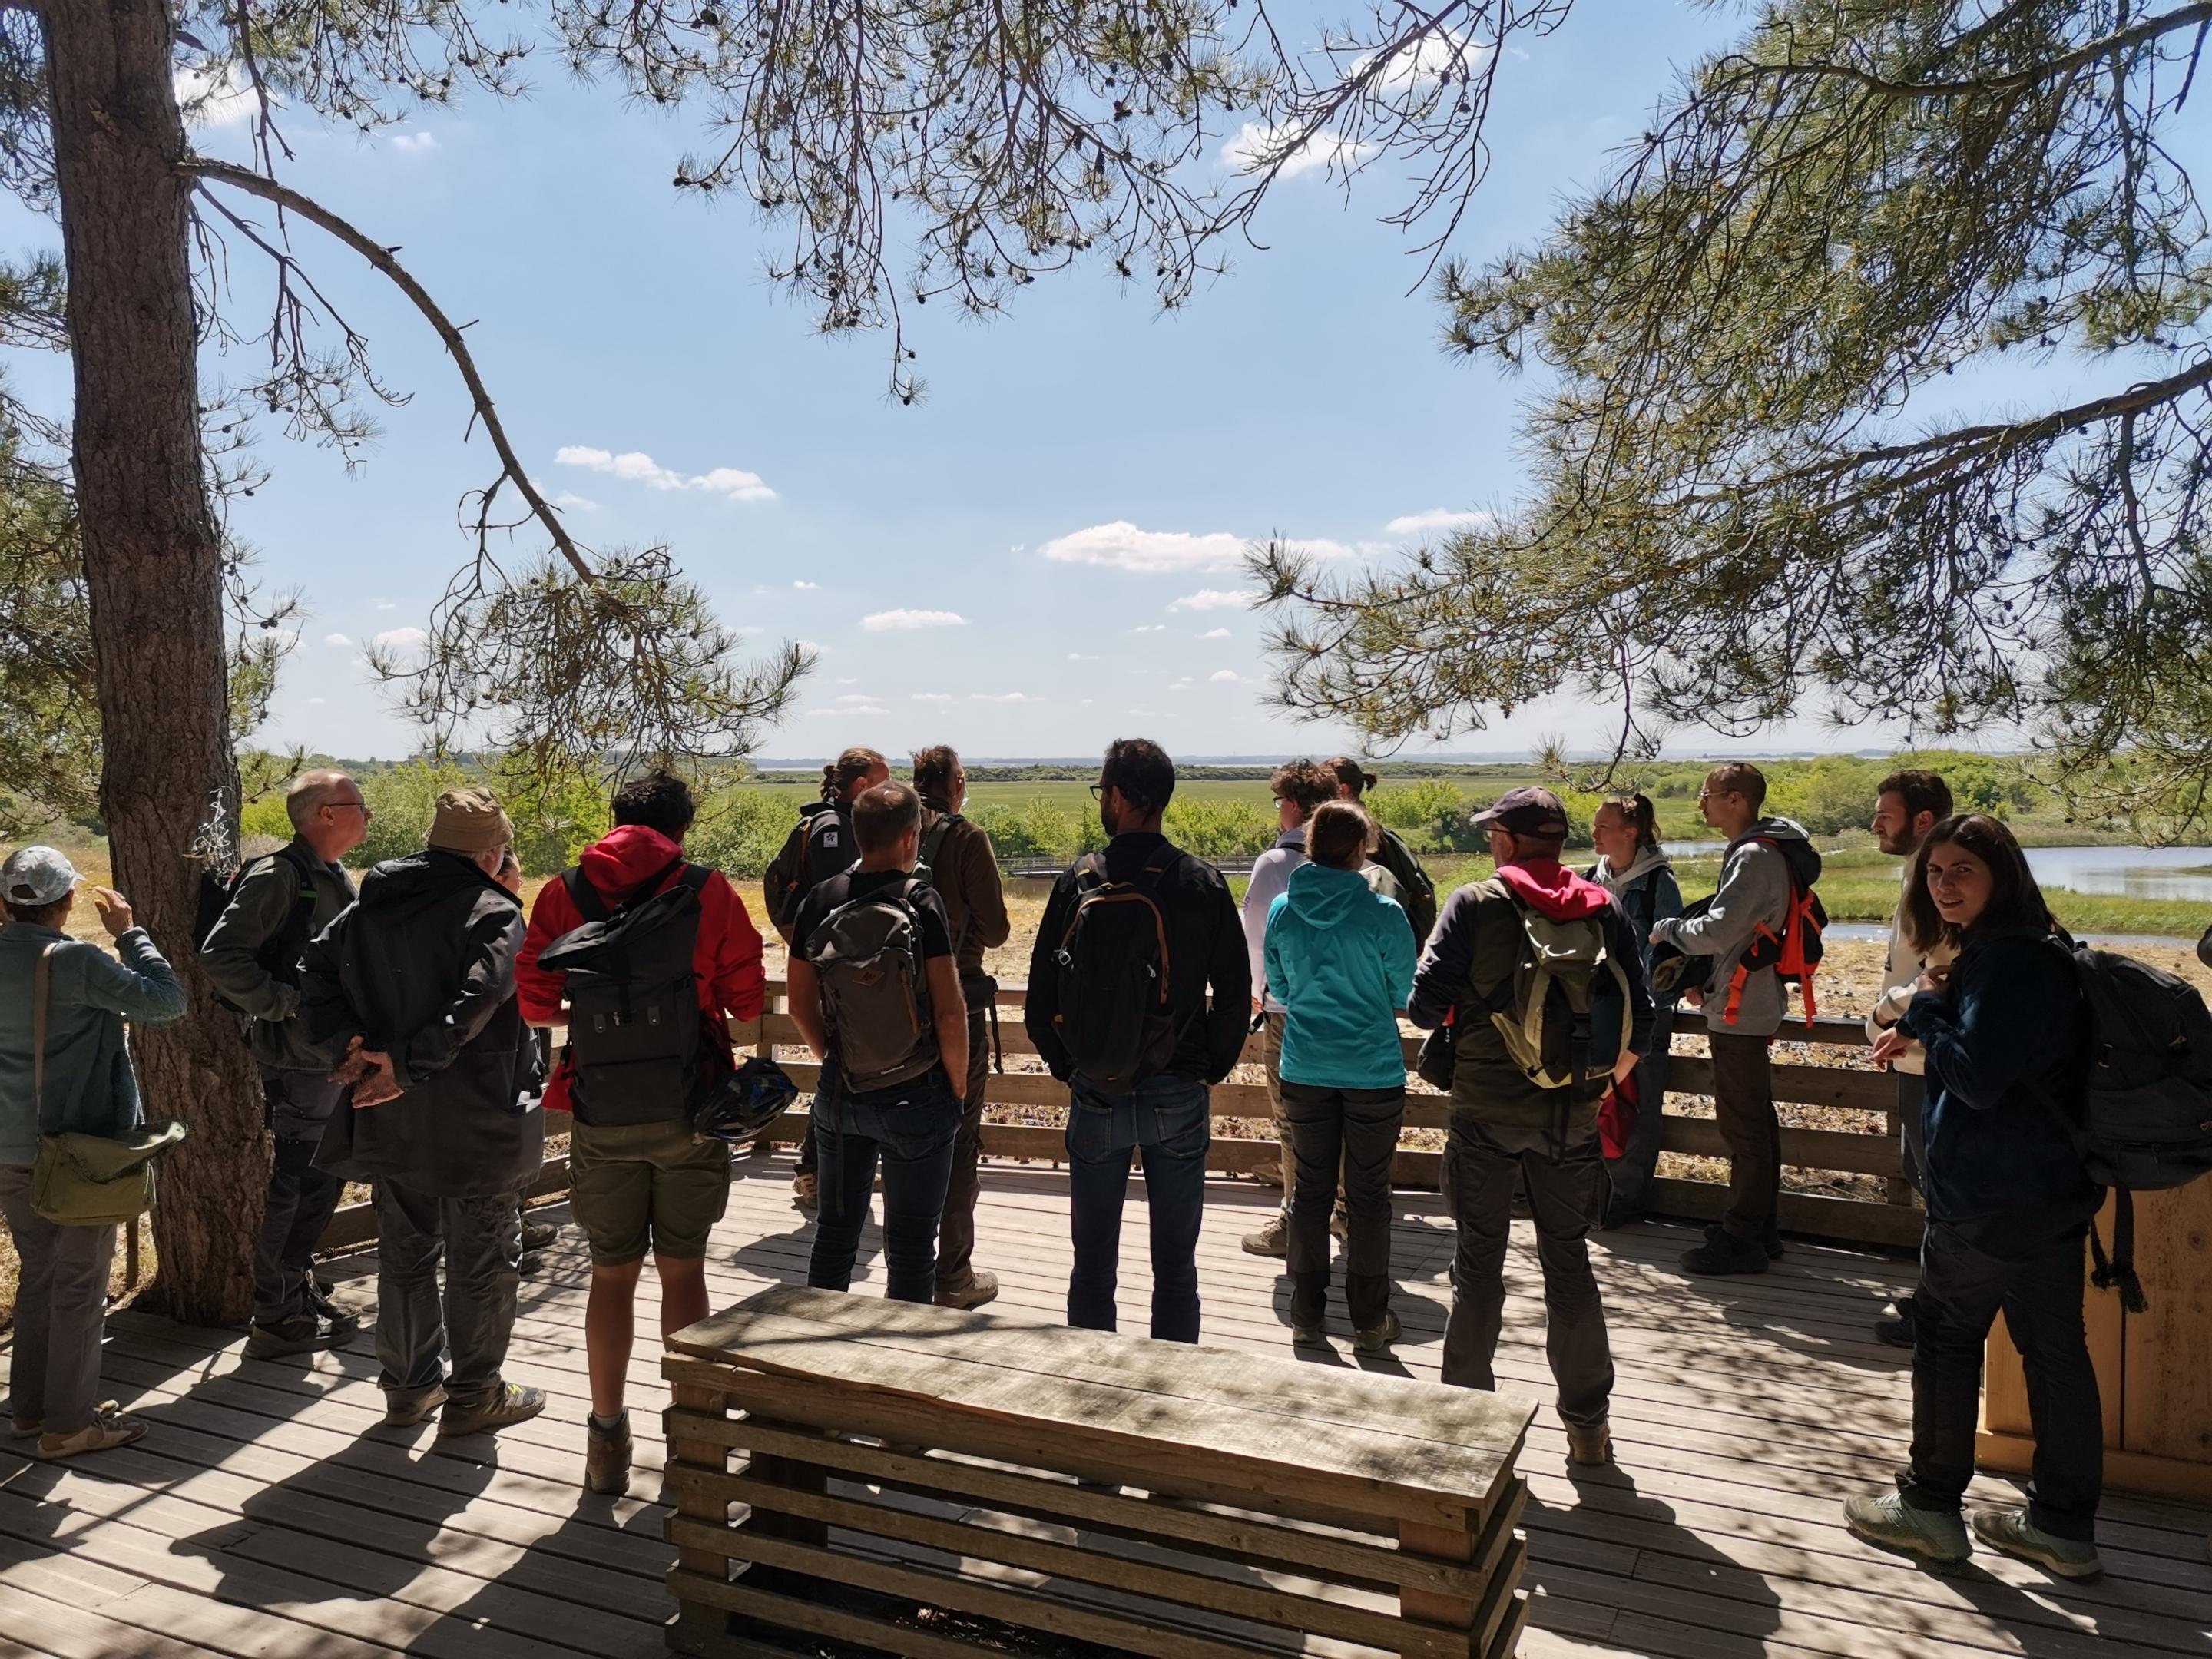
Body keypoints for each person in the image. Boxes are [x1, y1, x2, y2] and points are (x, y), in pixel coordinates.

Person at [1845, 813, 2104, 1581]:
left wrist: (1923, 1006)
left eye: (1963, 870)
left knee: (1948, 1343)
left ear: (2001, 875)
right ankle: (2061, 1528)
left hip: (1986, 1196)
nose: (1944, 884)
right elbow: (2010, 1060)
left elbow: (1978, 1079)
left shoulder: (2004, 962)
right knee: (2057, 1353)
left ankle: (1930, 1511)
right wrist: (1940, 1009)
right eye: (1934, 872)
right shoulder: (2043, 948)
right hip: (2053, 1192)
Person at [515, 770, 766, 1492]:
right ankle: (692, 1438)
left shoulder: (565, 892)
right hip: (689, 1107)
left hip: (601, 1108)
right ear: (680, 830)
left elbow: (533, 1002)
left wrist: (592, 1025)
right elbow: (746, 1001)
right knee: (682, 1270)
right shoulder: (709, 890)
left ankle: (604, 1440)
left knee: (610, 1275)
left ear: (614, 819)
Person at [1409, 788, 1651, 1463]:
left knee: (1478, 1269)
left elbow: (1424, 1007)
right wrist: (1594, 1089)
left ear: (1509, 842)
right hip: (1571, 1122)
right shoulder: (1605, 910)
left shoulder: (1475, 903)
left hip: (1485, 1116)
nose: (1491, 844)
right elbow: (1645, 1020)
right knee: (1568, 1268)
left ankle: (1465, 1427)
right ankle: (1588, 1430)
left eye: (1494, 834)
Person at [300, 786, 545, 1437]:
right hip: (476, 1119)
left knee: (406, 1255)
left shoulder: (373, 905)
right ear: (491, 853)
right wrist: (405, 1064)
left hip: (392, 1116)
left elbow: (313, 971)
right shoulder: (493, 911)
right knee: (485, 1259)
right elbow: (483, 995)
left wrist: (351, 1045)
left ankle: (409, 1390)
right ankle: (474, 1395)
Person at [1026, 739, 1248, 1343]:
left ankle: (1088, 1394)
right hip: (1178, 1087)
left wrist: (1071, 1067)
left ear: (1120, 797)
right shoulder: (1200, 881)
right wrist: (1208, 1069)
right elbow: (1234, 994)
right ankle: (1170, 1397)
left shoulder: (1078, 881)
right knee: (1176, 1267)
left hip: (1096, 1089)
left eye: (1103, 792)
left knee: (1092, 1265)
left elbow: (1040, 1002)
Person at [0, 847, 185, 1457]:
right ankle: (70, 1425)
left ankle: (29, 1411)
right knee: (80, 1284)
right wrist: (131, 935)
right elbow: (166, 1003)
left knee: (41, 1277)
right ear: (69, 901)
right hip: (79, 1154)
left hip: (10, 1147)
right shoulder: (74, 960)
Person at [200, 768, 369, 1359]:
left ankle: (295, 1291)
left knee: (321, 1181)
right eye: (358, 803)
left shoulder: (333, 875)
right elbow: (221, 957)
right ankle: (275, 1316)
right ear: (326, 813)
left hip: (328, 1059)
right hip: (299, 1061)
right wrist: (290, 1006)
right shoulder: (282, 875)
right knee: (297, 1185)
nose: (367, 814)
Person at [787, 780, 969, 1302]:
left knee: (834, 1235)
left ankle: (816, 1358)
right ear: (912, 838)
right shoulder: (921, 900)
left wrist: (838, 1061)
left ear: (856, 833)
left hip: (843, 1094)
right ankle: (896, 1362)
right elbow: (950, 1011)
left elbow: (800, 1004)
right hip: (919, 1093)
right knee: (912, 1247)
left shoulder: (820, 900)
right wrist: (954, 1089)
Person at [1648, 763, 1820, 1276]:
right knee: (1755, 1124)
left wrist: (1668, 930)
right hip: (1750, 999)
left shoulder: (1752, 854)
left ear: (1738, 800)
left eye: (1708, 796)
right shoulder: (1769, 852)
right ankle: (1760, 1230)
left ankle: (1743, 1237)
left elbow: (1720, 930)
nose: (1701, 805)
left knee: (1743, 1128)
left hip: (1742, 1011)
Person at [1263, 801, 1417, 1351]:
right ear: (1362, 849)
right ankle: (1370, 1323)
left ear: (1311, 846)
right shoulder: (1383, 913)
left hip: (1304, 1066)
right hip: (1372, 1070)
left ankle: (1307, 1316)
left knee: (1310, 1191)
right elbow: (1404, 991)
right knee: (1370, 1197)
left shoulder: (1284, 909)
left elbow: (1277, 987)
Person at [766, 747, 890, 1215]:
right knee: (840, 1070)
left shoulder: (838, 825)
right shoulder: (836, 831)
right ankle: (812, 1172)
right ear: (861, 786)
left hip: (838, 973)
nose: (892, 789)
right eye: (884, 780)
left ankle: (816, 1169)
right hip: (835, 975)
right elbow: (839, 905)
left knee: (841, 1071)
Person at [910, 746, 1012, 1310]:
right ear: (957, 785)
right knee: (958, 1137)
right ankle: (952, 1275)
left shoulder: (891, 827)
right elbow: (995, 930)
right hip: (957, 1006)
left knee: (905, 1139)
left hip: (894, 1012)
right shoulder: (966, 838)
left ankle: (907, 1268)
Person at [1862, 769, 1955, 1348]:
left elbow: (1944, 974)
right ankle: (1936, 1300)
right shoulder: (1922, 873)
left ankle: (1941, 1316)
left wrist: (1889, 1016)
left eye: (1885, 814)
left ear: (1923, 821)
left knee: (1941, 1187)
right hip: (1915, 1054)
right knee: (1925, 1178)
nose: (1874, 823)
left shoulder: (1940, 881)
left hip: (1931, 1059)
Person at [1239, 758, 1339, 1258]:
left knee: (1291, 1121)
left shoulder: (1276, 865)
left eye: (1281, 802)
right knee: (1341, 1116)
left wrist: (1256, 993)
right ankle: (1341, 1210)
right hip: (1349, 1014)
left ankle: (1295, 1223)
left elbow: (1256, 941)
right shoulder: (1357, 862)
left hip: (1288, 1013)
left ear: (1293, 806)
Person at [1586, 793, 1682, 1228]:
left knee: (1638, 1109)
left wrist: (1652, 1010)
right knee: (1595, 1103)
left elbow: (1672, 959)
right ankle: (1594, 1197)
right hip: (1599, 1010)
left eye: (1603, 827)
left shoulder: (1660, 883)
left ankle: (1626, 1203)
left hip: (1646, 1014)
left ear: (1631, 832)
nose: (1594, 833)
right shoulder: (1593, 877)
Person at [1326, 757, 1438, 950]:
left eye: (1323, 786)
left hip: (1371, 947)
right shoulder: (1375, 829)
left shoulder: (1358, 834)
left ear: (1342, 790)